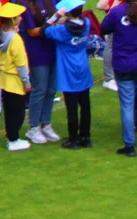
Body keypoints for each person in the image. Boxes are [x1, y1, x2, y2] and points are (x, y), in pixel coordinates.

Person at [102, 0, 137, 157]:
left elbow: (104, 28)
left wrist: (112, 8)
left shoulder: (117, 12)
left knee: (127, 105)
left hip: (123, 63)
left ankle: (130, 145)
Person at [42, 0, 93, 150]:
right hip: (83, 68)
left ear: (68, 12)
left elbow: (45, 29)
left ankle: (73, 140)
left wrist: (56, 16)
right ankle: (85, 137)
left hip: (68, 70)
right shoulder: (88, 23)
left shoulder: (62, 30)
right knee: (85, 106)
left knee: (71, 108)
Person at [17, 0, 58, 147]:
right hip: (37, 52)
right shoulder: (25, 3)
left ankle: (45, 123)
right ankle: (33, 127)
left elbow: (62, 14)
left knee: (51, 89)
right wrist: (53, 22)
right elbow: (32, 32)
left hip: (52, 49)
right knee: (39, 89)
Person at [0, 3, 33, 152]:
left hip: (5, 79)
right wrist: (27, 82)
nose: (21, 18)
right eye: (18, 17)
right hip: (15, 80)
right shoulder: (16, 40)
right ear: (12, 20)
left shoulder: (1, 36)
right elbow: (21, 64)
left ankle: (12, 137)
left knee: (10, 112)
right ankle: (14, 140)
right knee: (17, 114)